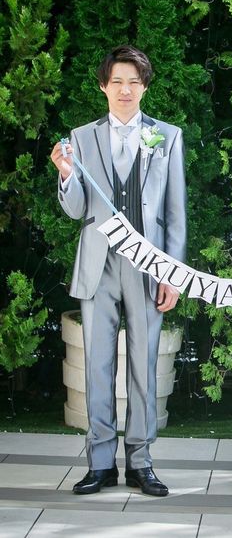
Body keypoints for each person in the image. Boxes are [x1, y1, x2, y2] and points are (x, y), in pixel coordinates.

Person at [50, 45, 186, 496]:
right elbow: (76, 210)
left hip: (147, 266)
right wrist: (66, 174)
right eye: (117, 82)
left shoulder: (167, 136)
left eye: (133, 82)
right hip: (99, 265)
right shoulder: (81, 137)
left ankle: (141, 463)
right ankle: (101, 464)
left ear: (144, 86)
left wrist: (172, 273)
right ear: (103, 86)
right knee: (98, 366)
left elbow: (175, 213)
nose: (125, 90)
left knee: (144, 366)